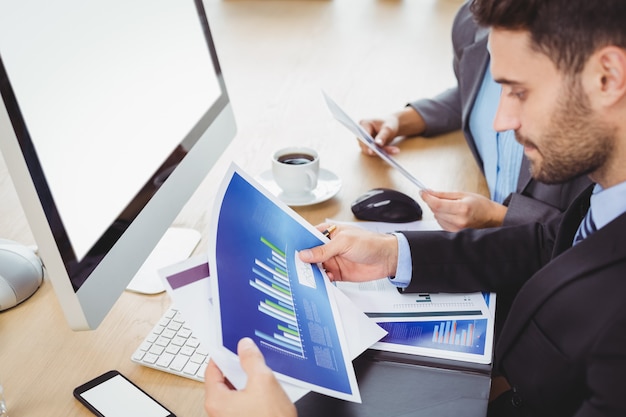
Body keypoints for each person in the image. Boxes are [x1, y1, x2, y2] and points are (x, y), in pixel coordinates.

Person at [204, 0, 626, 416]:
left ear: (608, 77)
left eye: (519, 91)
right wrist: (394, 253)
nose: (501, 120)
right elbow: (554, 245)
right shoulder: (609, 189)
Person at [358, 0, 590, 232]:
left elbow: (596, 237)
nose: (500, 122)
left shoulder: (587, 53)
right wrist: (404, 120)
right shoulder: (473, 22)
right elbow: (472, 91)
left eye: (519, 93)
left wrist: (499, 217)